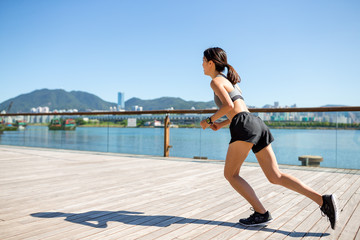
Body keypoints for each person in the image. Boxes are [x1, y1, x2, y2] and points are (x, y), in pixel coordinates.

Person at [199, 47, 338, 229]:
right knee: (275, 176)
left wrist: (209, 120)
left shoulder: (216, 82)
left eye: (203, 61)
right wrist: (221, 124)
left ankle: (261, 213)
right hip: (255, 123)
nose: (201, 65)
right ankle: (323, 200)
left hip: (244, 125)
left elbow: (228, 105)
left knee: (230, 174)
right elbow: (239, 111)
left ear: (211, 63)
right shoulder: (230, 81)